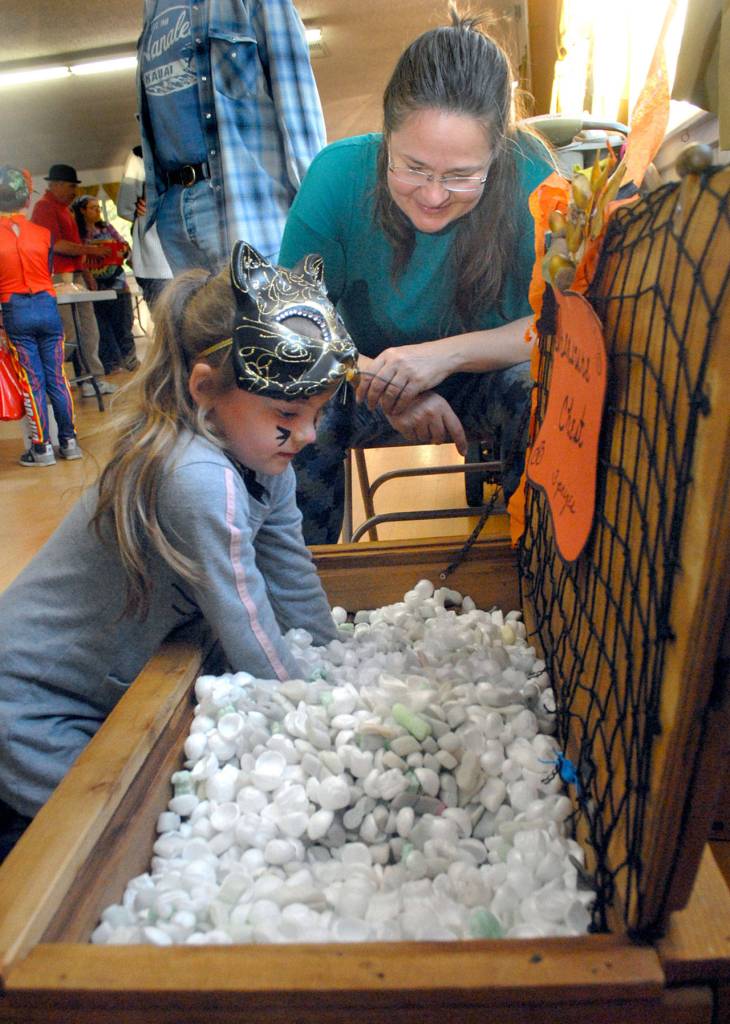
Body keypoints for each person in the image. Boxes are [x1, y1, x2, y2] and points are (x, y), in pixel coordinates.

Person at [0, 240, 358, 860]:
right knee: (96, 847)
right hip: (35, 707)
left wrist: (330, 660)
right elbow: (243, 613)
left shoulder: (263, 458)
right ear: (204, 388)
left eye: (318, 414)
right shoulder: (195, 476)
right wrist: (320, 716)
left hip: (101, 690)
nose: (307, 434)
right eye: (288, 414)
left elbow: (290, 570)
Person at [278, 10, 555, 544]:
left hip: (483, 377)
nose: (432, 196)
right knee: (297, 394)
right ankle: (306, 588)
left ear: (497, 153)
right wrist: (385, 389)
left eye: (460, 176)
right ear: (385, 137)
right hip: (360, 377)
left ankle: (537, 577)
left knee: (545, 390)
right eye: (412, 167)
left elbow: (556, 324)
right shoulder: (337, 175)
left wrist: (444, 355)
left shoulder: (536, 181)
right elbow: (292, 320)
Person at [136, 0, 327, 274]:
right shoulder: (153, 7)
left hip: (249, 200)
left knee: (264, 315)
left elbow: (297, 100)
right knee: (197, 318)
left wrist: (318, 209)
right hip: (174, 208)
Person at [0, 165, 82, 466]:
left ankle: (42, 448)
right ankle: (70, 442)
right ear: (25, 200)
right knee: (57, 378)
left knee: (32, 381)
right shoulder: (43, 234)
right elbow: (46, 272)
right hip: (47, 309)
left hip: (16, 312)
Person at [30, 163, 118, 397]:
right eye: (70, 186)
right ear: (56, 185)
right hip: (58, 277)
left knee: (88, 330)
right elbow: (55, 244)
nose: (73, 192)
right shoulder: (44, 208)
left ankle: (93, 380)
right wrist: (91, 251)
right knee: (69, 332)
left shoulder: (64, 210)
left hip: (75, 275)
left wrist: (87, 273)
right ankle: (48, 379)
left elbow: (72, 247)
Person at [72, 195, 139, 374]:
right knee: (101, 328)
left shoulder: (107, 227)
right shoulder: (77, 233)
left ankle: (130, 361)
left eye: (98, 208)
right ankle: (111, 365)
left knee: (124, 323)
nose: (97, 211)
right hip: (93, 285)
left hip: (117, 281)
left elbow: (124, 247)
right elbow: (80, 259)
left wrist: (121, 251)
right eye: (93, 208)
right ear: (82, 211)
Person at [116, 145, 173, 312]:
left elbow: (125, 207)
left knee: (166, 326)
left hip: (154, 262)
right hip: (167, 261)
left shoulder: (139, 155)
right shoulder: (192, 146)